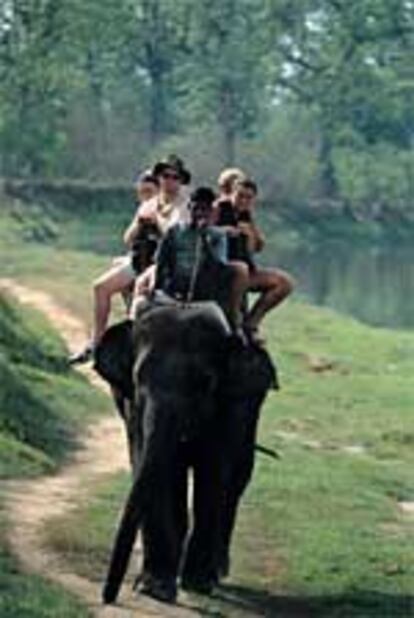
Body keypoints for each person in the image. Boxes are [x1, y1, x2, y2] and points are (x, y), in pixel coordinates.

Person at [69, 155, 191, 365]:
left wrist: (158, 221)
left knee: (142, 291)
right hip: (141, 259)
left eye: (174, 177)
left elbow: (176, 237)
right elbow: (127, 238)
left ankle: (134, 337)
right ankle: (96, 343)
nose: (169, 181)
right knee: (101, 287)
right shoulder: (150, 203)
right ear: (159, 178)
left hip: (166, 264)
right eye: (165, 176)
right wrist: (139, 225)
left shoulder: (184, 204)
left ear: (181, 180)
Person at [154, 186, 249, 332]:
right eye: (195, 209)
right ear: (189, 207)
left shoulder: (217, 236)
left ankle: (237, 330)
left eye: (204, 210)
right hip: (173, 291)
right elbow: (161, 262)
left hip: (203, 295)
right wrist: (159, 289)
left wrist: (205, 240)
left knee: (223, 328)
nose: (198, 213)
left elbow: (219, 266)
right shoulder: (174, 231)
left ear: (211, 211)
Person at [215, 177, 294, 342]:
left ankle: (251, 324)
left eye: (248, 197)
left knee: (285, 283)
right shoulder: (219, 208)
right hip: (222, 269)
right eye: (240, 196)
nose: (243, 200)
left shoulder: (246, 215)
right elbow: (203, 230)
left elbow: (258, 246)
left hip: (246, 271)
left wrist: (251, 233)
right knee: (241, 269)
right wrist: (225, 231)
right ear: (232, 193)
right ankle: (234, 320)